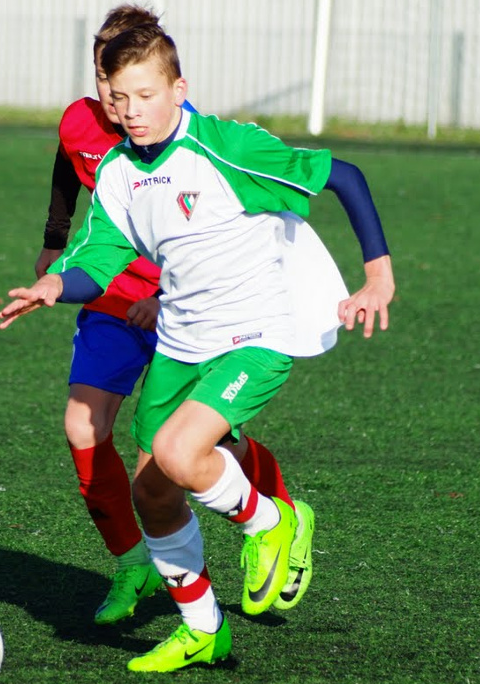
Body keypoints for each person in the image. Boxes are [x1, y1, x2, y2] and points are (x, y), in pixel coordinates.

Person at [0, 24, 394, 672]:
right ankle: (204, 628)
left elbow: (342, 176)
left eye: (146, 95)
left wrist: (377, 276)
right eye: (120, 98)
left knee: (181, 453)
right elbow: (99, 259)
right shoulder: (120, 172)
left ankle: (275, 523)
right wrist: (55, 284)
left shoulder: (226, 147)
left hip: (256, 336)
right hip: (182, 340)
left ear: (179, 90)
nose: (132, 111)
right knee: (152, 490)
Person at [31, 5, 308, 627]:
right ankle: (134, 564)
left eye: (127, 85)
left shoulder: (174, 127)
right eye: (104, 79)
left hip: (181, 304)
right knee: (83, 426)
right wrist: (53, 248)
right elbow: (69, 170)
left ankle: (279, 516)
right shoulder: (82, 121)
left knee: (186, 453)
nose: (117, 99)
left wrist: (166, 296)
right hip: (108, 294)